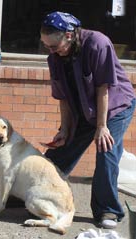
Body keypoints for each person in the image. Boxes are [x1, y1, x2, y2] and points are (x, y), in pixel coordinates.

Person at [40, 11, 136, 229]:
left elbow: (104, 88)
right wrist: (64, 129)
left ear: (69, 35)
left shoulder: (98, 44)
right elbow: (62, 96)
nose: (51, 51)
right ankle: (33, 192)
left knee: (106, 149)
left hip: (115, 106)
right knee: (62, 148)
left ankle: (107, 211)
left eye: (54, 46)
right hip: (84, 108)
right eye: (46, 46)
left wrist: (102, 127)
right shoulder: (54, 58)